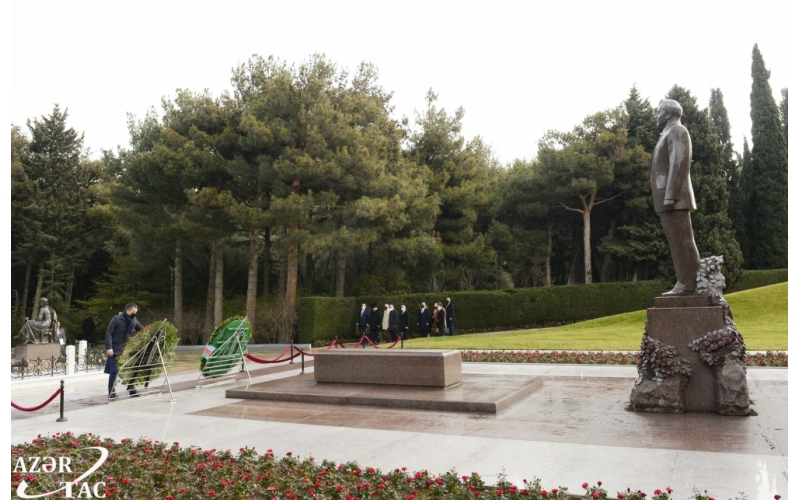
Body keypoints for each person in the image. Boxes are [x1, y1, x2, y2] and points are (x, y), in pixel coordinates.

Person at [651, 99, 701, 296]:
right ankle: (685, 281)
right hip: (667, 199)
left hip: (674, 199)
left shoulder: (678, 131)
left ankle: (689, 283)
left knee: (683, 241)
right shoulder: (667, 133)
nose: (656, 115)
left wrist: (671, 196)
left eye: (658, 111)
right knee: (676, 241)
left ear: (668, 114)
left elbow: (680, 163)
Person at [105, 303, 144, 398]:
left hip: (128, 350)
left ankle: (131, 388)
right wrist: (109, 347)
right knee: (114, 371)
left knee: (130, 370)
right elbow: (109, 333)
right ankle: (111, 391)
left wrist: (153, 332)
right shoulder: (116, 319)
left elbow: (142, 329)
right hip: (115, 349)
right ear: (128, 311)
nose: (135, 314)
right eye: (133, 312)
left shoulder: (133, 320)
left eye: (136, 312)